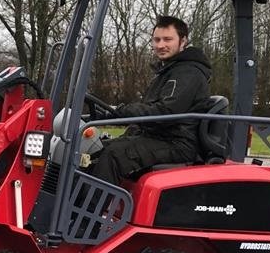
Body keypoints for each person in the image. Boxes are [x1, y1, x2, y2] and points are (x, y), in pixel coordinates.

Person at [88, 15, 211, 185]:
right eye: (156, 40)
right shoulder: (168, 71)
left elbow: (165, 113)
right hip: (160, 137)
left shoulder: (188, 73)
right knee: (96, 149)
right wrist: (110, 115)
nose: (160, 45)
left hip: (177, 143)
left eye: (167, 39)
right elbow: (150, 109)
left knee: (114, 155)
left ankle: (91, 209)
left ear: (183, 41)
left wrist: (123, 111)